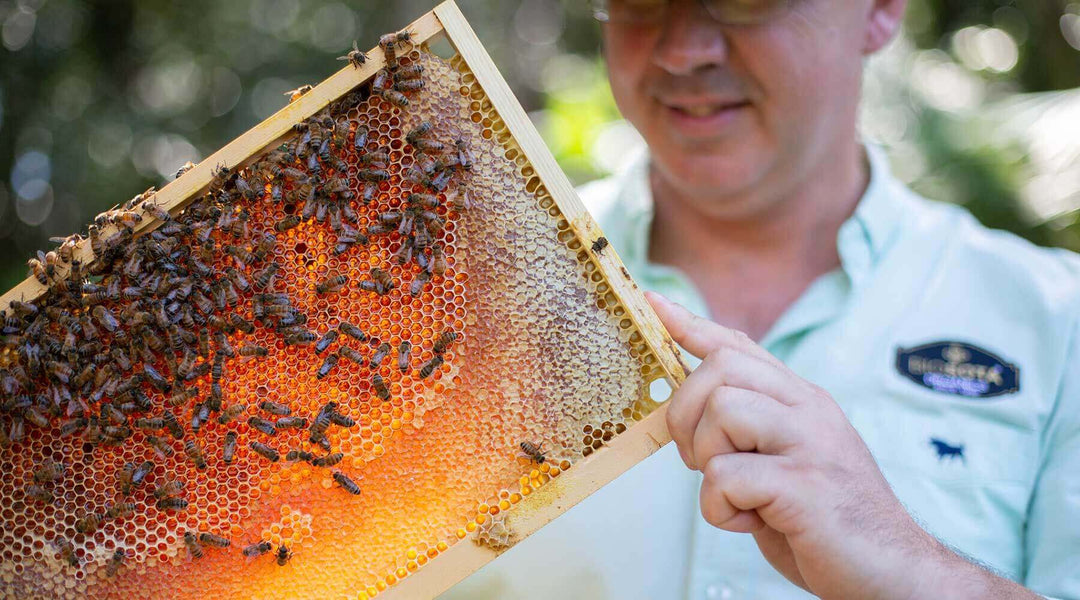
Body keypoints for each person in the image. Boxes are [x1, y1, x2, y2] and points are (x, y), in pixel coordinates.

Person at [442, 0, 1080, 598]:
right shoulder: (456, 293)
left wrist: (910, 566)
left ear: (882, 8)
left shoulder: (1059, 321)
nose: (684, 50)